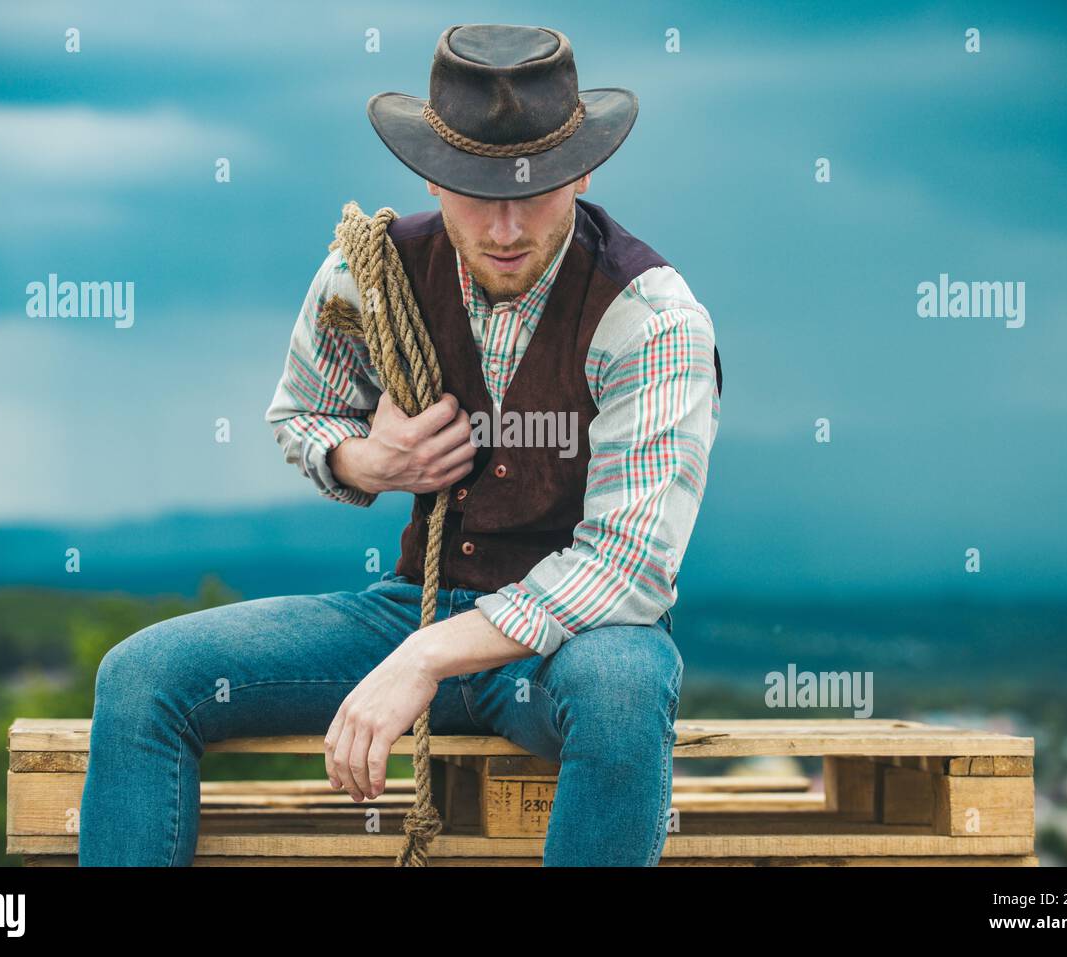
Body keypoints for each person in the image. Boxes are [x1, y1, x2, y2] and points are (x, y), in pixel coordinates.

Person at [79, 23, 720, 867]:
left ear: (584, 169)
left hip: (571, 645)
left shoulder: (652, 317)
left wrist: (424, 657)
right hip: (417, 600)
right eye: (475, 190)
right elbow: (301, 414)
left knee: (624, 688)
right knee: (141, 679)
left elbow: (628, 565)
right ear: (430, 172)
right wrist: (366, 463)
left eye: (534, 190)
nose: (504, 226)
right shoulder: (372, 269)